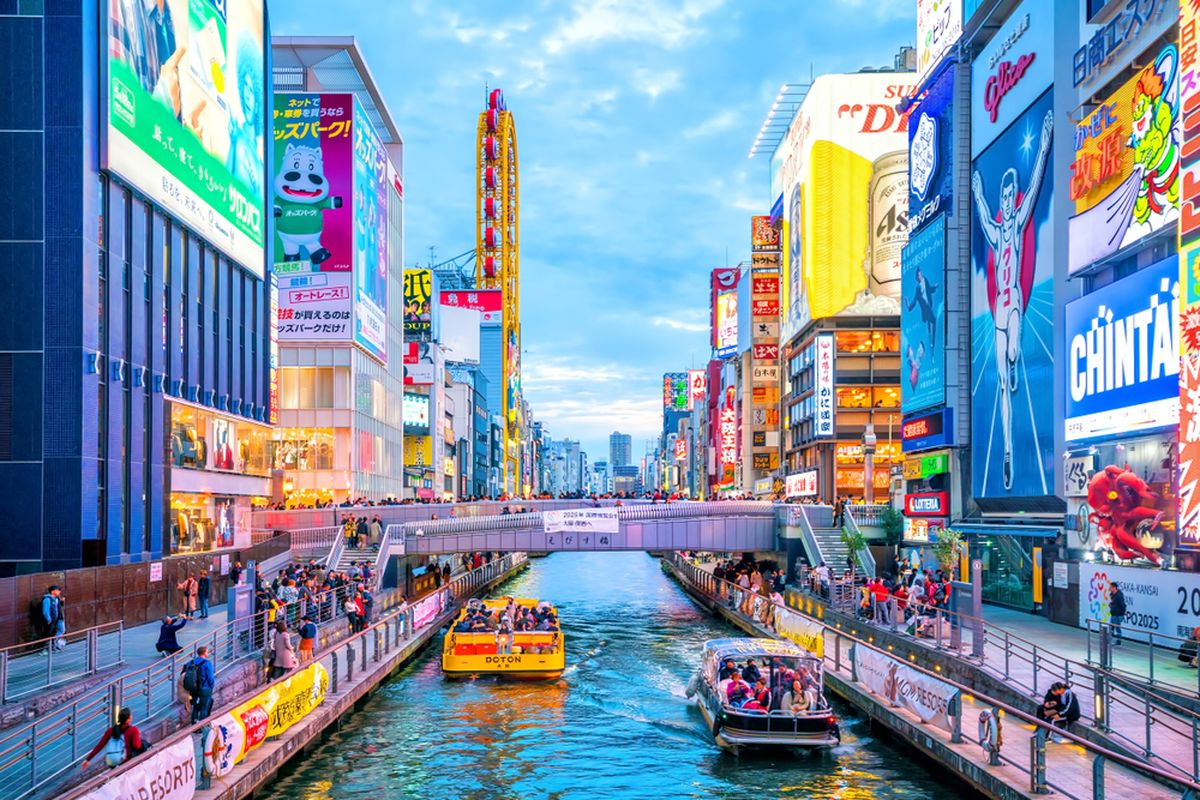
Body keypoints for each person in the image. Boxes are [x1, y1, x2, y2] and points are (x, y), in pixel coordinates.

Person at [970, 108, 1053, 490]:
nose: (1005, 201)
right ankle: (1006, 450)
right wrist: (975, 192)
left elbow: (1035, 186)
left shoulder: (1017, 225)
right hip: (999, 308)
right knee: (1002, 383)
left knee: (1015, 355)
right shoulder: (996, 227)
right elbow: (983, 215)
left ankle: (1016, 358)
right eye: (1002, 196)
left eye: (1008, 195)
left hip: (1014, 300)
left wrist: (1046, 141)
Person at [183, 646, 215, 723]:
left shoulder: (190, 663)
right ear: (204, 653)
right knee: (204, 707)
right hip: (205, 688)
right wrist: (211, 687)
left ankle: (194, 725)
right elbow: (210, 677)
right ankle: (202, 726)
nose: (208, 653)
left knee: (195, 707)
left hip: (193, 688)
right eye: (207, 651)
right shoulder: (207, 663)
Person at [41, 585, 65, 650]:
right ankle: (48, 647)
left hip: (58, 618)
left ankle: (55, 642)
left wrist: (62, 602)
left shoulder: (57, 598)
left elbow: (58, 607)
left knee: (62, 630)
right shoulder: (47, 599)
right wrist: (49, 620)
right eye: (58, 590)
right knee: (49, 633)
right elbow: (45, 611)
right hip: (52, 620)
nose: (59, 592)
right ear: (52, 591)